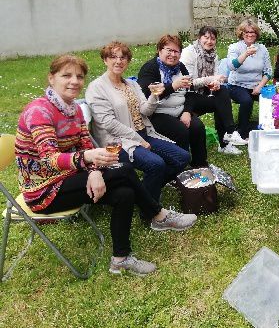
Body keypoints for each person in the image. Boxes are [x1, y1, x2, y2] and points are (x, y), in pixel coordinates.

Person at [15, 55, 197, 277]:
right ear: (51, 78)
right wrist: (89, 160)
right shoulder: (40, 111)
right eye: (66, 75)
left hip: (71, 175)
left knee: (125, 192)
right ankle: (157, 214)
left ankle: (120, 259)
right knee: (125, 169)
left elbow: (83, 143)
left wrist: (94, 173)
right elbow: (49, 159)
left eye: (79, 76)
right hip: (44, 189)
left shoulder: (73, 110)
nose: (74, 81)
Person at [86, 41, 193, 203]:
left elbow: (145, 111)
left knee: (183, 157)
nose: (118, 61)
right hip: (118, 143)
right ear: (105, 60)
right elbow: (108, 123)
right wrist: (139, 140)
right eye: (113, 57)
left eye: (123, 57)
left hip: (144, 133)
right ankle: (150, 208)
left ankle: (143, 191)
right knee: (156, 164)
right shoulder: (97, 88)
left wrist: (154, 96)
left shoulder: (132, 84)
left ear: (128, 61)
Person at [138, 35, 208, 169]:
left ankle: (200, 165)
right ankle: (179, 167)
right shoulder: (150, 68)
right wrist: (173, 86)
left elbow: (190, 93)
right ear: (160, 50)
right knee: (180, 130)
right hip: (156, 114)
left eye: (176, 51)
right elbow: (146, 95)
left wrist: (187, 111)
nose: (172, 55)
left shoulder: (180, 67)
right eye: (168, 50)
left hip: (179, 110)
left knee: (197, 127)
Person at [180, 26, 247, 155]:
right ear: (199, 38)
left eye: (213, 38)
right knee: (221, 100)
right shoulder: (189, 53)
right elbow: (187, 83)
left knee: (221, 92)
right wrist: (211, 79)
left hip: (203, 93)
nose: (209, 41)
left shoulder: (213, 54)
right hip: (188, 97)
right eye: (206, 37)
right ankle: (229, 134)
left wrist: (215, 83)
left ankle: (228, 137)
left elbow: (215, 77)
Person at [226, 20, 273, 140]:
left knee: (273, 98)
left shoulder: (262, 49)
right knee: (246, 101)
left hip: (256, 85)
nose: (250, 34)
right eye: (246, 32)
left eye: (253, 32)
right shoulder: (234, 47)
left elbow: (268, 71)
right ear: (242, 33)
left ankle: (269, 126)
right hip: (237, 85)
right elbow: (231, 66)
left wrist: (260, 86)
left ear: (256, 34)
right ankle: (242, 132)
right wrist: (246, 54)